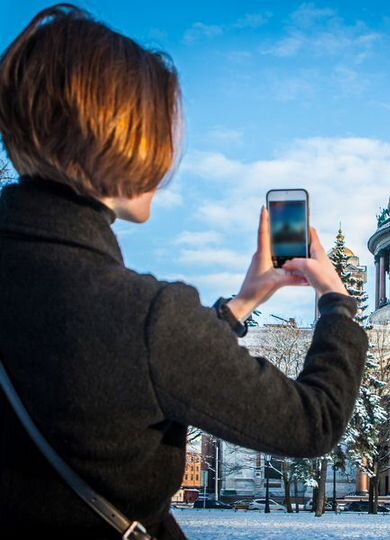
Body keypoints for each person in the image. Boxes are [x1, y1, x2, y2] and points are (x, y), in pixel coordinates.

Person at [0, 5, 367, 538]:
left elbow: (130, 373)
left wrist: (240, 306)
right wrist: (337, 305)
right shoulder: (149, 318)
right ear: (121, 141)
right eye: (159, 132)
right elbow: (314, 421)